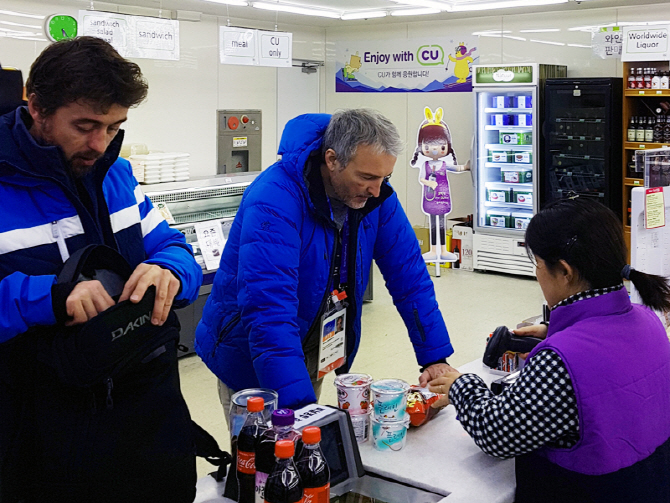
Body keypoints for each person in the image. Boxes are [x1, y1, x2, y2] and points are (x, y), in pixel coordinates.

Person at [0, 37, 203, 501]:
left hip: (146, 417)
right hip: (40, 432)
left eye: (114, 127)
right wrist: (49, 296)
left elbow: (175, 248)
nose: (100, 144)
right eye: (86, 125)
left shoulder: (116, 174)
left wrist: (169, 271)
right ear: (36, 107)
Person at [196, 109, 455, 414]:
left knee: (304, 451)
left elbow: (409, 277)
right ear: (332, 160)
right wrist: (302, 411)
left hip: (313, 344)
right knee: (266, 456)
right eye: (367, 177)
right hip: (251, 358)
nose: (376, 190)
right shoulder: (274, 199)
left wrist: (434, 356)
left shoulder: (376, 197)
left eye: (385, 177)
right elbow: (269, 311)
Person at [429, 197, 670, 503]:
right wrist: (560, 332)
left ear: (565, 271)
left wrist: (461, 385)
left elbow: (496, 435)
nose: (537, 275)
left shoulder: (559, 361)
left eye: (538, 265)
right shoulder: (648, 320)